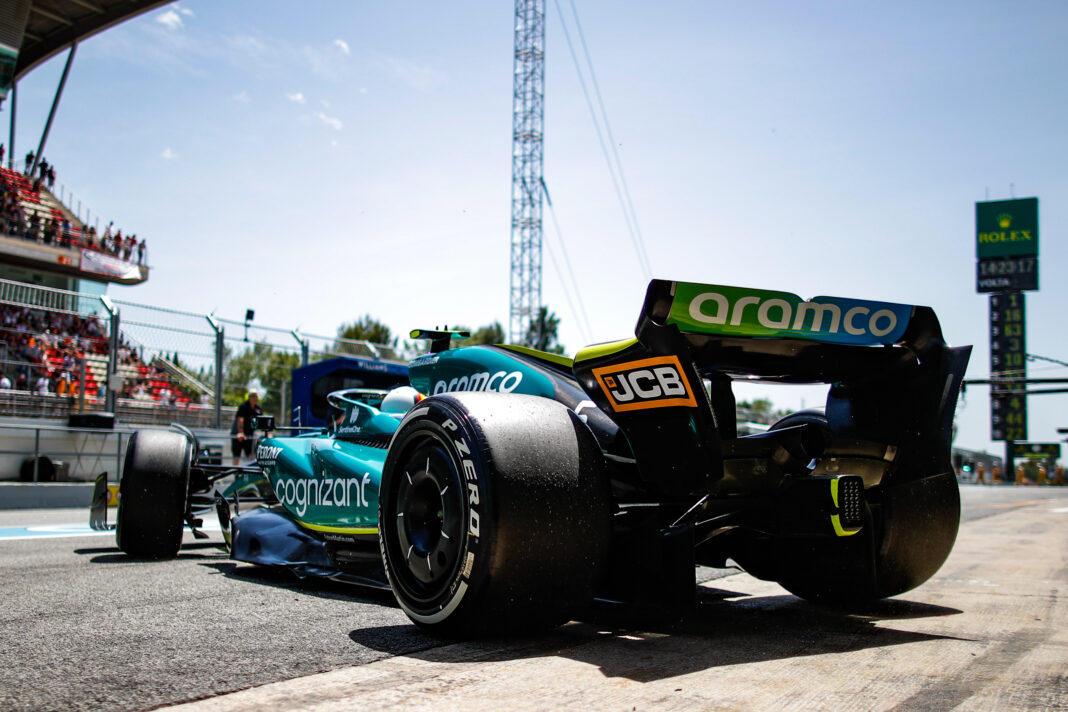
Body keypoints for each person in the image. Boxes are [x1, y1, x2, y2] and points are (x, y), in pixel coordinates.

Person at [231, 392, 263, 465]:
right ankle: (236, 474)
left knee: (251, 454)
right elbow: (240, 420)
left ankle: (250, 473)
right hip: (238, 434)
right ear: (249, 397)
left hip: (249, 435)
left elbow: (262, 421)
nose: (254, 398)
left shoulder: (258, 409)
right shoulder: (244, 406)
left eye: (256, 396)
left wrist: (267, 433)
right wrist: (241, 432)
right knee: (237, 455)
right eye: (252, 396)